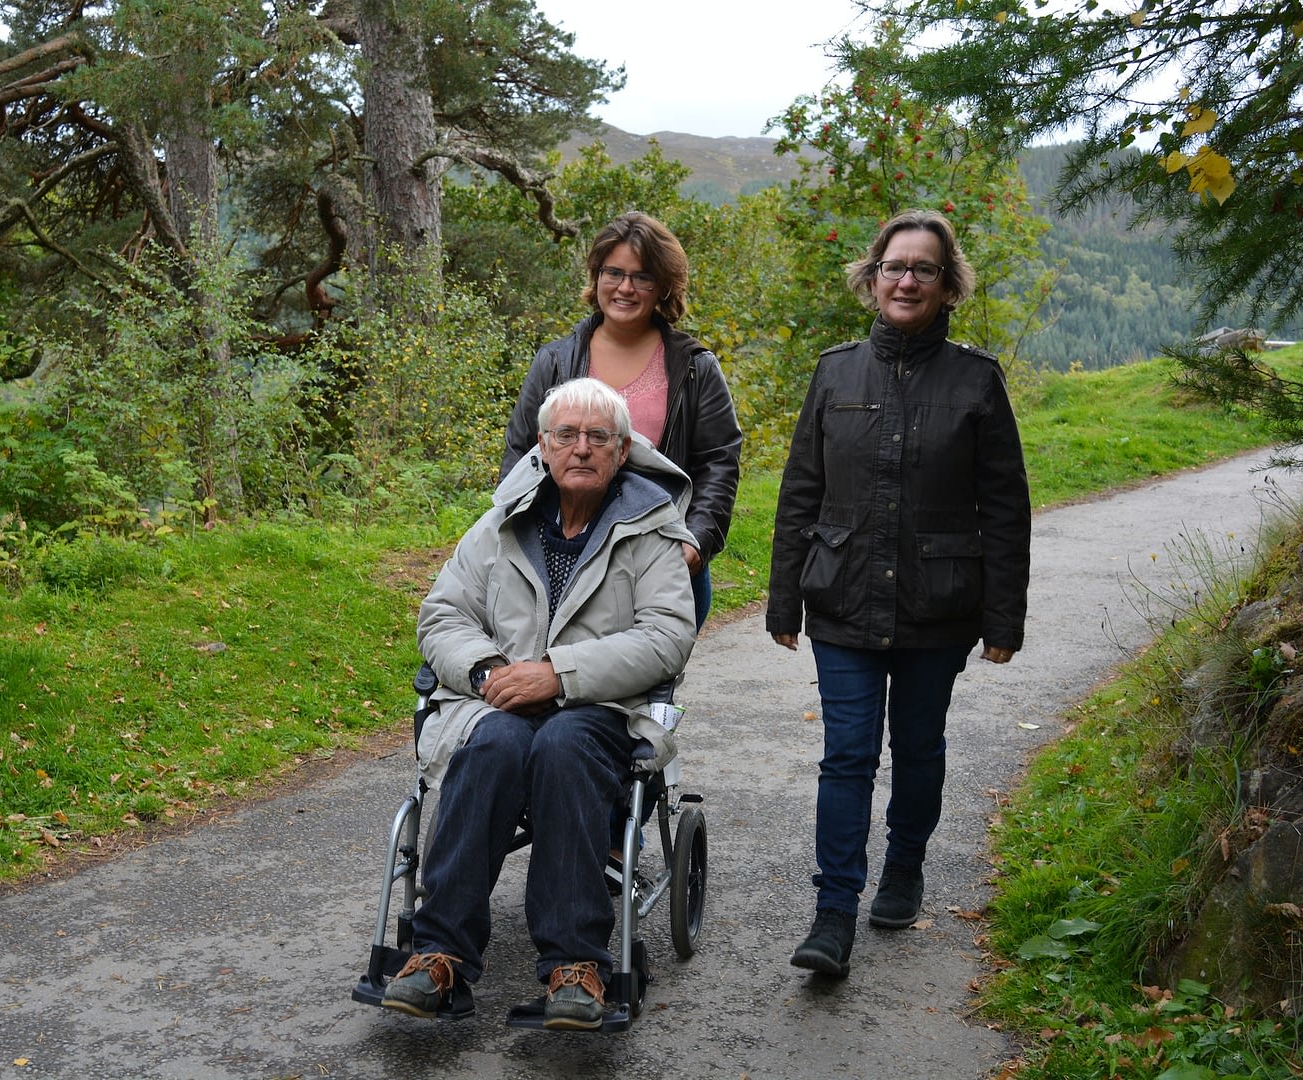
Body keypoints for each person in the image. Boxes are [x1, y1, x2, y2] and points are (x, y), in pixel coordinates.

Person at [382, 378, 697, 1030]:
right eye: (566, 435)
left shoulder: (652, 531)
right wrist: (488, 670)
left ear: (622, 451)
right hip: (497, 703)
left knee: (563, 744)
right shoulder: (499, 524)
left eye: (598, 437)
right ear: (542, 446)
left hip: (602, 711)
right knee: (492, 745)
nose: (581, 448)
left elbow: (667, 637)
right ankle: (438, 953)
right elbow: (443, 615)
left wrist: (558, 676)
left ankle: (575, 965)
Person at [767, 209, 1031, 977]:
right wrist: (784, 600)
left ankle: (905, 866)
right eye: (894, 266)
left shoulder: (977, 380)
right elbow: (801, 490)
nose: (907, 280)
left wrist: (1003, 617)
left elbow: (1005, 506)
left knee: (918, 747)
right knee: (847, 755)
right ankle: (832, 915)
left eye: (924, 269)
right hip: (842, 597)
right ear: (872, 278)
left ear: (948, 286)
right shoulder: (835, 371)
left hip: (938, 604)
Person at [501, 211, 741, 630]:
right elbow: (521, 454)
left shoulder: (693, 368)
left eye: (642, 276)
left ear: (663, 285)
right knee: (555, 668)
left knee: (643, 668)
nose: (625, 288)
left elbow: (719, 462)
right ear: (596, 276)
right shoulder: (555, 361)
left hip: (659, 562)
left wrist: (697, 541)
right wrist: (511, 531)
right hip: (561, 560)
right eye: (613, 272)